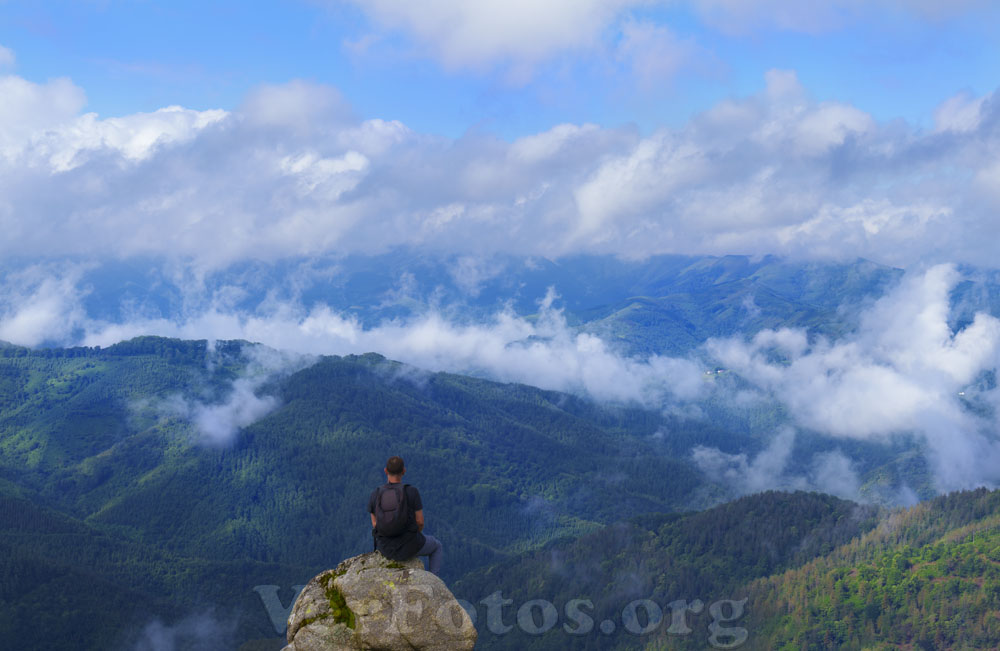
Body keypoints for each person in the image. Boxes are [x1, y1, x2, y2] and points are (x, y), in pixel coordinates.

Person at [368, 456, 442, 575]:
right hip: (410, 546)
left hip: (385, 548)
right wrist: (413, 535)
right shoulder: (411, 491)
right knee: (436, 546)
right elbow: (420, 522)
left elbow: (375, 524)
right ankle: (434, 580)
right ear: (404, 471)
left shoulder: (375, 494)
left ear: (386, 471)